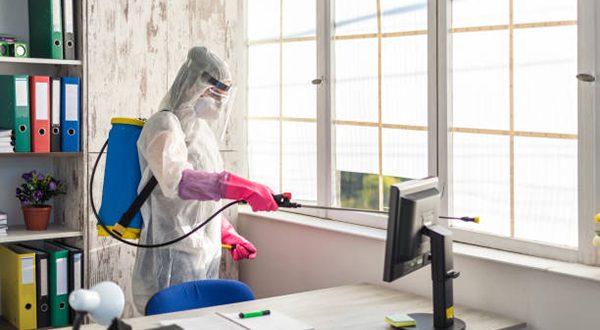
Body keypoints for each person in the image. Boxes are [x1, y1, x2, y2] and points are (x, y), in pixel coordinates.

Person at [131, 46, 279, 313]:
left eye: (225, 94)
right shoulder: (162, 125)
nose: (221, 102)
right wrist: (241, 188)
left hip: (204, 255)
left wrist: (228, 233)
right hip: (169, 255)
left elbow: (200, 204)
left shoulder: (203, 134)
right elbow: (178, 183)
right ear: (192, 86)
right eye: (215, 92)